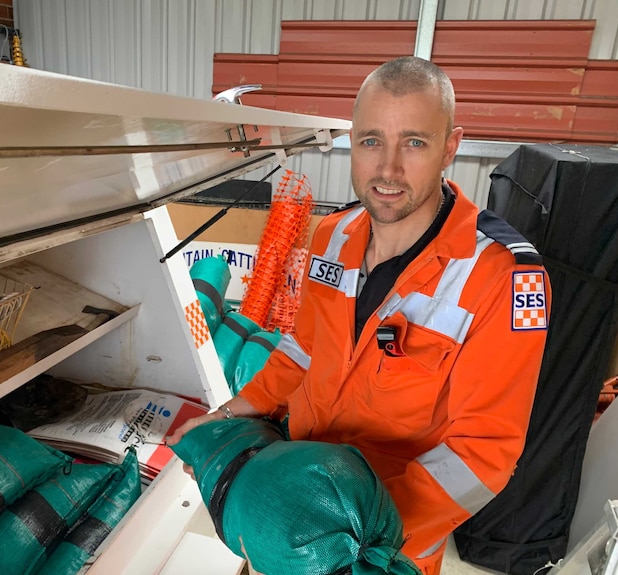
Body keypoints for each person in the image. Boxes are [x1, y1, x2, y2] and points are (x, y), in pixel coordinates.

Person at [168, 56, 550, 575]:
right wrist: (234, 413)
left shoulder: (500, 277)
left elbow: (482, 455)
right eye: (371, 140)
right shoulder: (333, 235)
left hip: (382, 548)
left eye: (413, 142)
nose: (388, 169)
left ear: (450, 147)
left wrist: (363, 543)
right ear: (352, 141)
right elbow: (300, 350)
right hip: (292, 504)